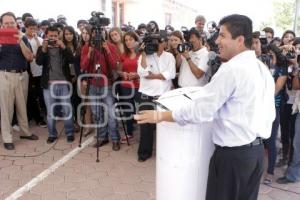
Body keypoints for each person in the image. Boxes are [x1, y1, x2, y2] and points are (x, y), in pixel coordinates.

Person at [134, 14, 275, 200]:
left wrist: (160, 116)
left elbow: (200, 111)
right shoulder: (260, 67)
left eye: (223, 35)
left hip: (232, 158)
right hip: (255, 155)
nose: (217, 40)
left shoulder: (232, 69)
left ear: (240, 40)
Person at [0, 12, 39, 150]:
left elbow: (29, 57)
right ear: (2, 25)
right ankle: (7, 138)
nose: (10, 25)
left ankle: (25, 132)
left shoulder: (22, 37)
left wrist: (21, 41)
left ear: (16, 24)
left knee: (23, 106)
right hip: (5, 75)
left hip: (22, 75)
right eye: (6, 23)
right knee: (7, 109)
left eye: (12, 22)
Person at [136, 31, 176, 162]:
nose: (155, 44)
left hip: (164, 96)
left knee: (165, 126)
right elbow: (142, 72)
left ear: (164, 43)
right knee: (145, 126)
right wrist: (142, 53)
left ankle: (166, 153)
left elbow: (170, 74)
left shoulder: (169, 56)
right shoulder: (145, 55)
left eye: (158, 42)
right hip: (146, 95)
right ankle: (144, 154)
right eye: (153, 42)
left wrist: (152, 75)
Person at [36, 25, 75, 144]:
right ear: (46, 36)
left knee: (67, 110)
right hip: (49, 85)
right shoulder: (42, 48)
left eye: (55, 36)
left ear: (59, 36)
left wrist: (62, 46)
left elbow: (72, 60)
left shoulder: (63, 48)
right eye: (50, 36)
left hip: (63, 84)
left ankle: (70, 133)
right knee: (50, 112)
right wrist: (44, 48)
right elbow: (38, 62)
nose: (53, 38)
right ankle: (52, 134)